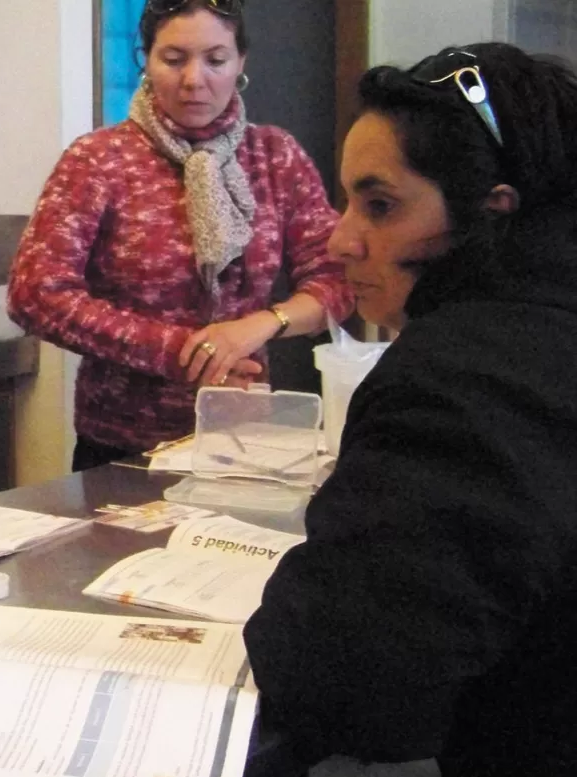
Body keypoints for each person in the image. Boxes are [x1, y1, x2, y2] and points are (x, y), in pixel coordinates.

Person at [245, 43, 577, 776]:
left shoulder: (462, 381)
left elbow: (339, 674)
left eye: (381, 205)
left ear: (491, 213)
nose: (340, 239)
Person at [7, 0, 353, 471]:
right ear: (145, 61)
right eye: (173, 59)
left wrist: (261, 324)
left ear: (241, 62)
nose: (194, 79)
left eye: (215, 60)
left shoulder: (274, 156)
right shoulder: (99, 160)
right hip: (124, 447)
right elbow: (35, 293)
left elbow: (339, 278)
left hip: (244, 436)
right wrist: (181, 351)